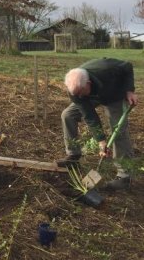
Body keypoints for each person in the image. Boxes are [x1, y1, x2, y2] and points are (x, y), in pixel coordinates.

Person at [57, 58, 138, 191]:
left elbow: (127, 66)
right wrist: (101, 140)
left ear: (88, 83)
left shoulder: (107, 69)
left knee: (118, 131)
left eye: (79, 93)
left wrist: (130, 90)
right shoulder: (75, 90)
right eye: (75, 94)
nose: (78, 96)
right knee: (68, 115)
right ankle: (73, 155)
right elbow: (89, 115)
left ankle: (124, 176)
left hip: (114, 95)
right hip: (94, 96)